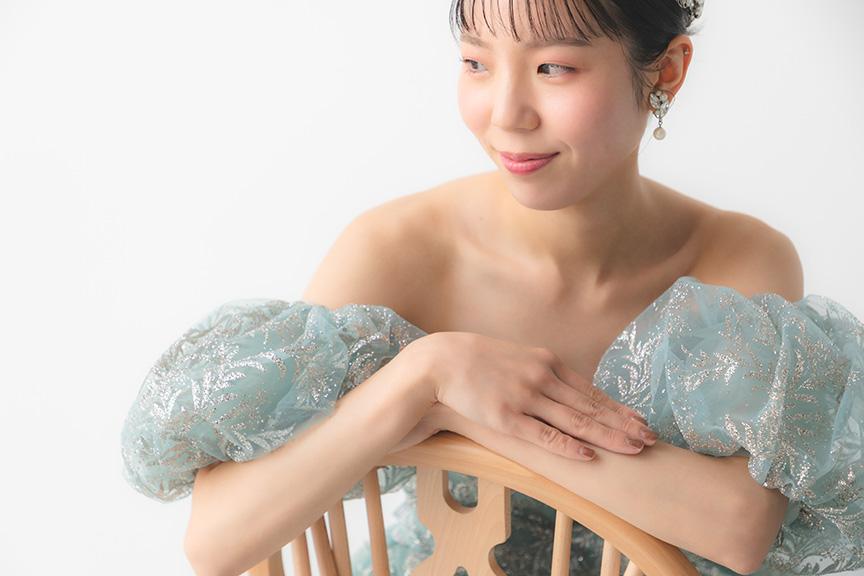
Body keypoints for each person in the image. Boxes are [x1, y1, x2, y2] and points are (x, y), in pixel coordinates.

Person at [120, 1, 864, 575]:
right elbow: (216, 541)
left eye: (554, 68)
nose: (506, 114)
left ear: (665, 71)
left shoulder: (735, 258)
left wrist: (468, 414)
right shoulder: (401, 250)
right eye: (476, 62)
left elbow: (738, 528)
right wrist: (427, 372)